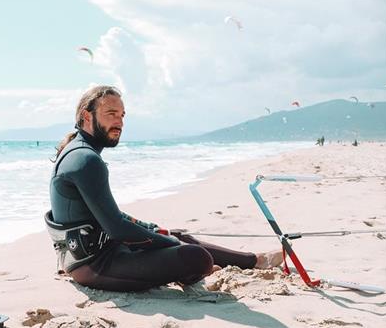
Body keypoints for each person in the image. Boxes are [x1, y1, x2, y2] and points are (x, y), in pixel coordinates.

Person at [45, 85, 283, 292]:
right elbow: (116, 228)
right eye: (111, 114)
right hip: (94, 266)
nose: (119, 122)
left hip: (95, 253)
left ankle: (255, 261)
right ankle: (194, 270)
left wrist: (159, 233)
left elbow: (110, 217)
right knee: (194, 255)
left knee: (177, 235)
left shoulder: (79, 152)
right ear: (87, 116)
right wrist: (171, 244)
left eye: (122, 115)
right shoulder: (86, 160)